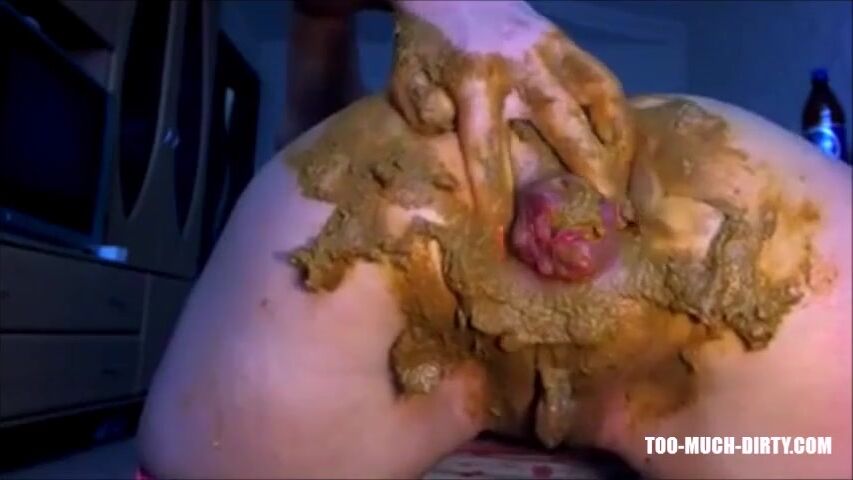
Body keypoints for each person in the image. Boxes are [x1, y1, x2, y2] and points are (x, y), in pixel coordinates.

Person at [137, 1, 852, 478]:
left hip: (399, 211)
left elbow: (310, 150)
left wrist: (342, 19)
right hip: (745, 229)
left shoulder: (361, 155)